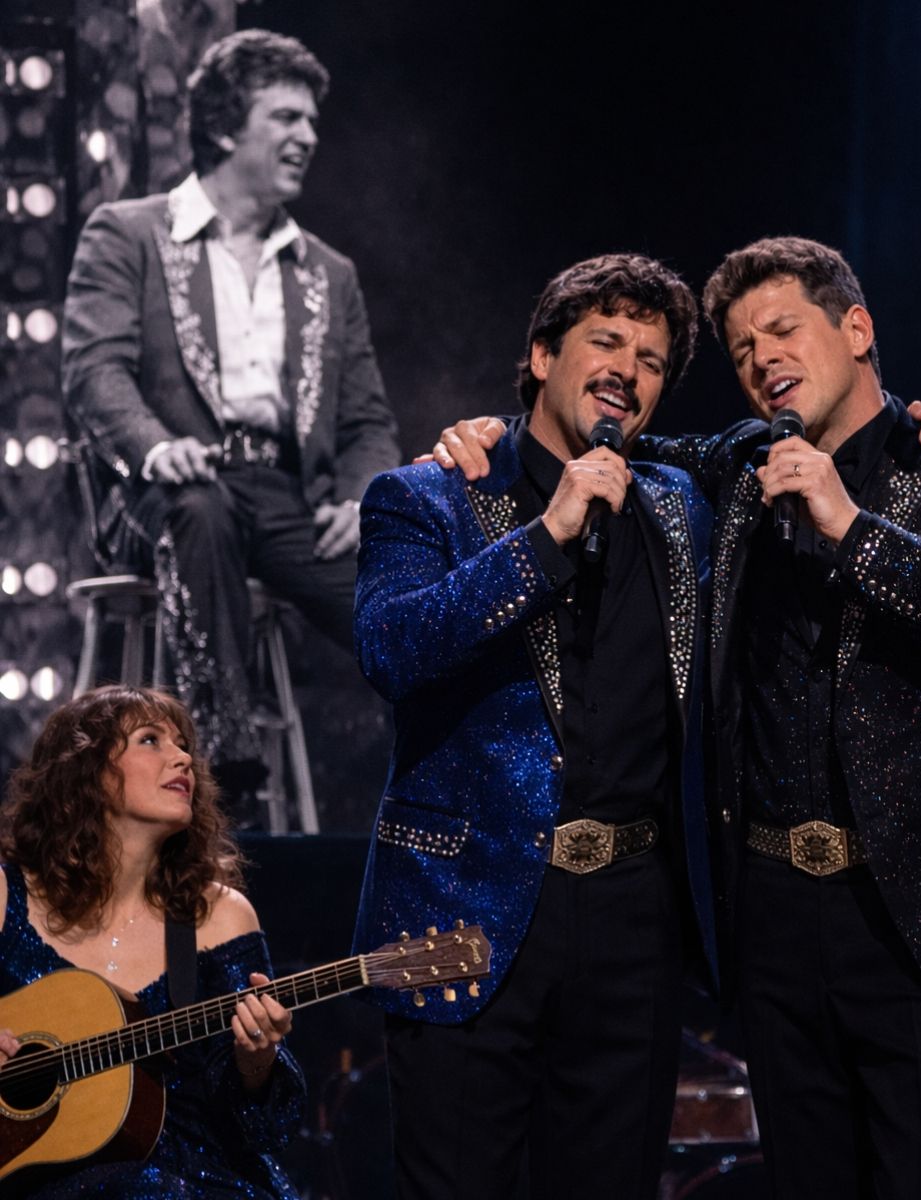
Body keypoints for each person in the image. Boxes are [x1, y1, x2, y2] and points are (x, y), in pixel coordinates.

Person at [434, 236, 921, 1199]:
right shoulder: (737, 471)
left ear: (857, 329)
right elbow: (593, 433)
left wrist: (852, 529)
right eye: (743, 349)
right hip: (777, 925)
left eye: (782, 329)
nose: (762, 359)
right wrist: (491, 436)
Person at [351, 253, 718, 1199]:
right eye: (605, 341)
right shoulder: (425, 494)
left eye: (649, 359)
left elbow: (774, 444)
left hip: (631, 923)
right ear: (543, 356)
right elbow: (390, 648)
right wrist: (544, 537)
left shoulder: (677, 503)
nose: (625, 369)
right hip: (459, 912)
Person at [61, 29, 400, 788]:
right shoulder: (127, 233)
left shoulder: (329, 273)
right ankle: (224, 768)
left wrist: (359, 498)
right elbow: (93, 371)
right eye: (285, 117)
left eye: (311, 121)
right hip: (160, 493)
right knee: (201, 509)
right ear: (223, 127)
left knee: (400, 591)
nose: (307, 136)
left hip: (285, 500)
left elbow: (366, 421)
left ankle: (445, 780)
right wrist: (156, 445)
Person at [0, 685, 304, 1198]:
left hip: (198, 1174)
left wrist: (257, 1061)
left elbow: (263, 1129)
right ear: (86, 771)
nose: (182, 758)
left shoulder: (219, 916)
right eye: (150, 740)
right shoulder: (6, 896)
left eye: (183, 745)